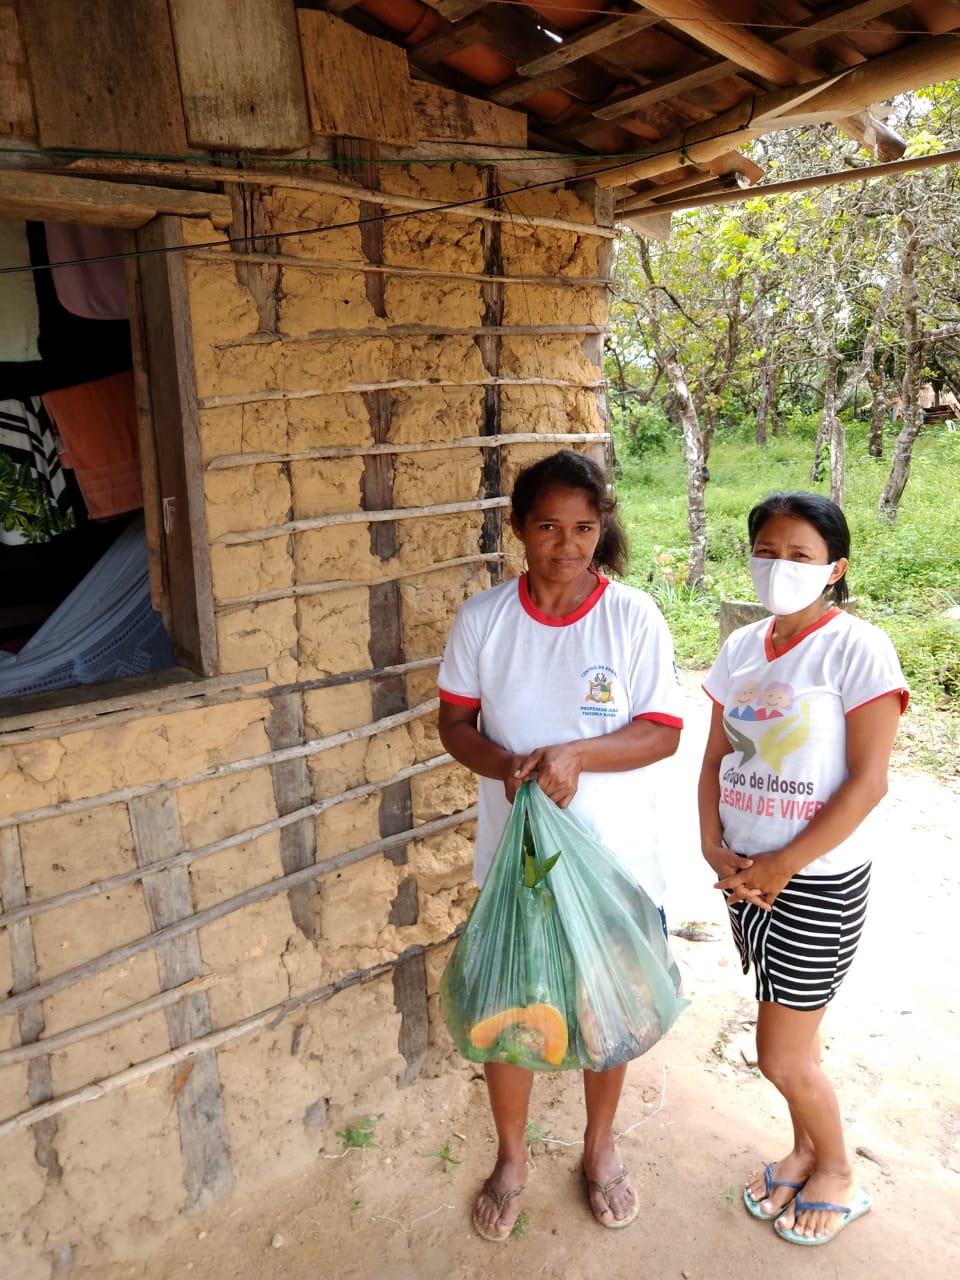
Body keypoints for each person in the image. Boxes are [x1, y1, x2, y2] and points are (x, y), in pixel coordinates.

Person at [438, 450, 684, 1241]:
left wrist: (579, 755)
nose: (567, 545)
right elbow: (454, 725)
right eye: (548, 526)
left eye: (584, 528)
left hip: (614, 860)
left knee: (606, 1008)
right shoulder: (484, 621)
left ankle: (600, 1146)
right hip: (520, 860)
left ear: (600, 528)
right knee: (509, 1008)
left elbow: (661, 733)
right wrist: (507, 765)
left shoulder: (632, 616)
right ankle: (512, 1156)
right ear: (517, 528)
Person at [698, 491, 908, 1247]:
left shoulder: (859, 648)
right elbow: (717, 756)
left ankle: (840, 1174)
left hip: (813, 879)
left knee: (779, 1053)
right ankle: (803, 1150)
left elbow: (868, 781)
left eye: (800, 556)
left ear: (835, 568)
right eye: (767, 551)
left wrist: (785, 863)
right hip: (744, 872)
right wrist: (710, 842)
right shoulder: (742, 649)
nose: (778, 567)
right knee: (796, 1037)